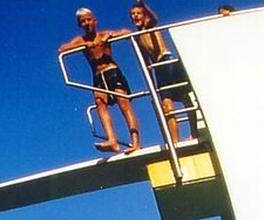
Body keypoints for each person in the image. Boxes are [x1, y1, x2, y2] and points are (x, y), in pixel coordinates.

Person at [59, 8, 141, 154]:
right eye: (82, 21)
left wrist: (112, 35)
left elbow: (127, 32)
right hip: (97, 76)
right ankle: (112, 140)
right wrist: (82, 45)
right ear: (80, 25)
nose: (86, 23)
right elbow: (62, 49)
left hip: (112, 72)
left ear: (94, 21)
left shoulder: (103, 34)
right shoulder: (80, 40)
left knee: (124, 104)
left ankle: (136, 143)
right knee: (100, 104)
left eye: (88, 20)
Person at [129, 1, 195, 142]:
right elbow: (146, 63)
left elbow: (154, 18)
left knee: (184, 97)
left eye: (138, 13)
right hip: (158, 67)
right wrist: (152, 86)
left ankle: (194, 133)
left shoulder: (149, 25)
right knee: (166, 104)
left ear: (143, 15)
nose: (135, 16)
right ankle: (175, 140)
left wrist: (144, 5)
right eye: (133, 14)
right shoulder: (137, 37)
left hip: (166, 60)